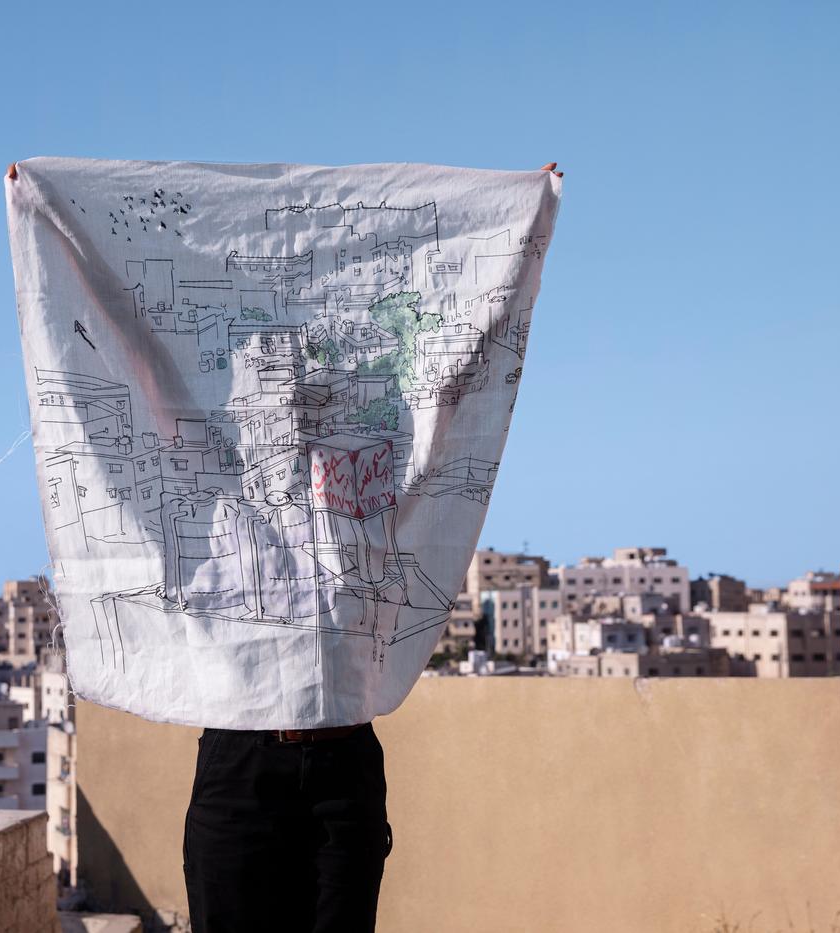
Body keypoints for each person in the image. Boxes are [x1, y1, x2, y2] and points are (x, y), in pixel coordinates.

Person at [175, 162, 561, 933]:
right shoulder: (217, 499)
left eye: (297, 388)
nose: (285, 402)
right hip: (239, 762)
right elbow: (147, 369)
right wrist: (53, 220)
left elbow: (449, 390)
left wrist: (521, 220)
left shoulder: (361, 489)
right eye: (267, 391)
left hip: (342, 763)